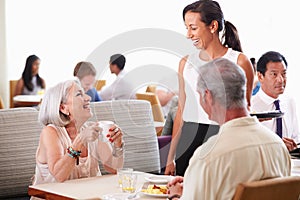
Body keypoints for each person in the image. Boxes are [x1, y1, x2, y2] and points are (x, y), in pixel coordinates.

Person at [167, 58, 291, 200]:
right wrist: (192, 187)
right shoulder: (278, 147)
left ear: (208, 96)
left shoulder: (208, 157)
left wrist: (176, 195)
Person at [165, 0, 254, 176]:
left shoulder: (239, 61)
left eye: (193, 28)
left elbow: (247, 109)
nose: (188, 34)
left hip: (225, 136)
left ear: (213, 26)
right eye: (187, 28)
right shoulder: (186, 63)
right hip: (189, 139)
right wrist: (170, 158)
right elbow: (181, 112)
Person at [31, 80, 124, 188]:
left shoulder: (93, 129)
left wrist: (118, 145)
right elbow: (59, 175)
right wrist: (80, 140)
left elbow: (114, 169)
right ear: (63, 108)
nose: (88, 98)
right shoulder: (51, 132)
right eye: (79, 94)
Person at [251, 51, 299, 151]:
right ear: (260, 76)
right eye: (274, 74)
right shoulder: (250, 107)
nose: (281, 80)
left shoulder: (289, 102)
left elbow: (296, 138)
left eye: (284, 74)